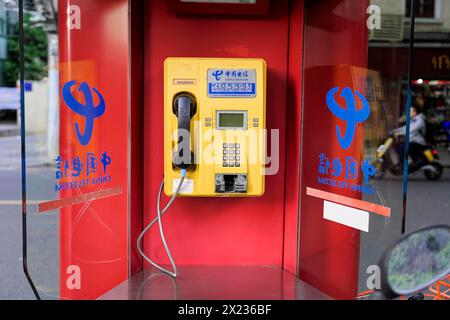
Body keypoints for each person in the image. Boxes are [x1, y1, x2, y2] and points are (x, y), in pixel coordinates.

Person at [392, 106, 429, 174]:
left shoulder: (420, 120)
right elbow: (405, 127)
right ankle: (402, 162)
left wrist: (399, 133)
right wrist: (394, 131)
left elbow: (411, 129)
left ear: (415, 112)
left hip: (418, 142)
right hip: (412, 141)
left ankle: (402, 163)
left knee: (402, 147)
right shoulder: (414, 119)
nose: (408, 113)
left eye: (410, 112)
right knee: (398, 146)